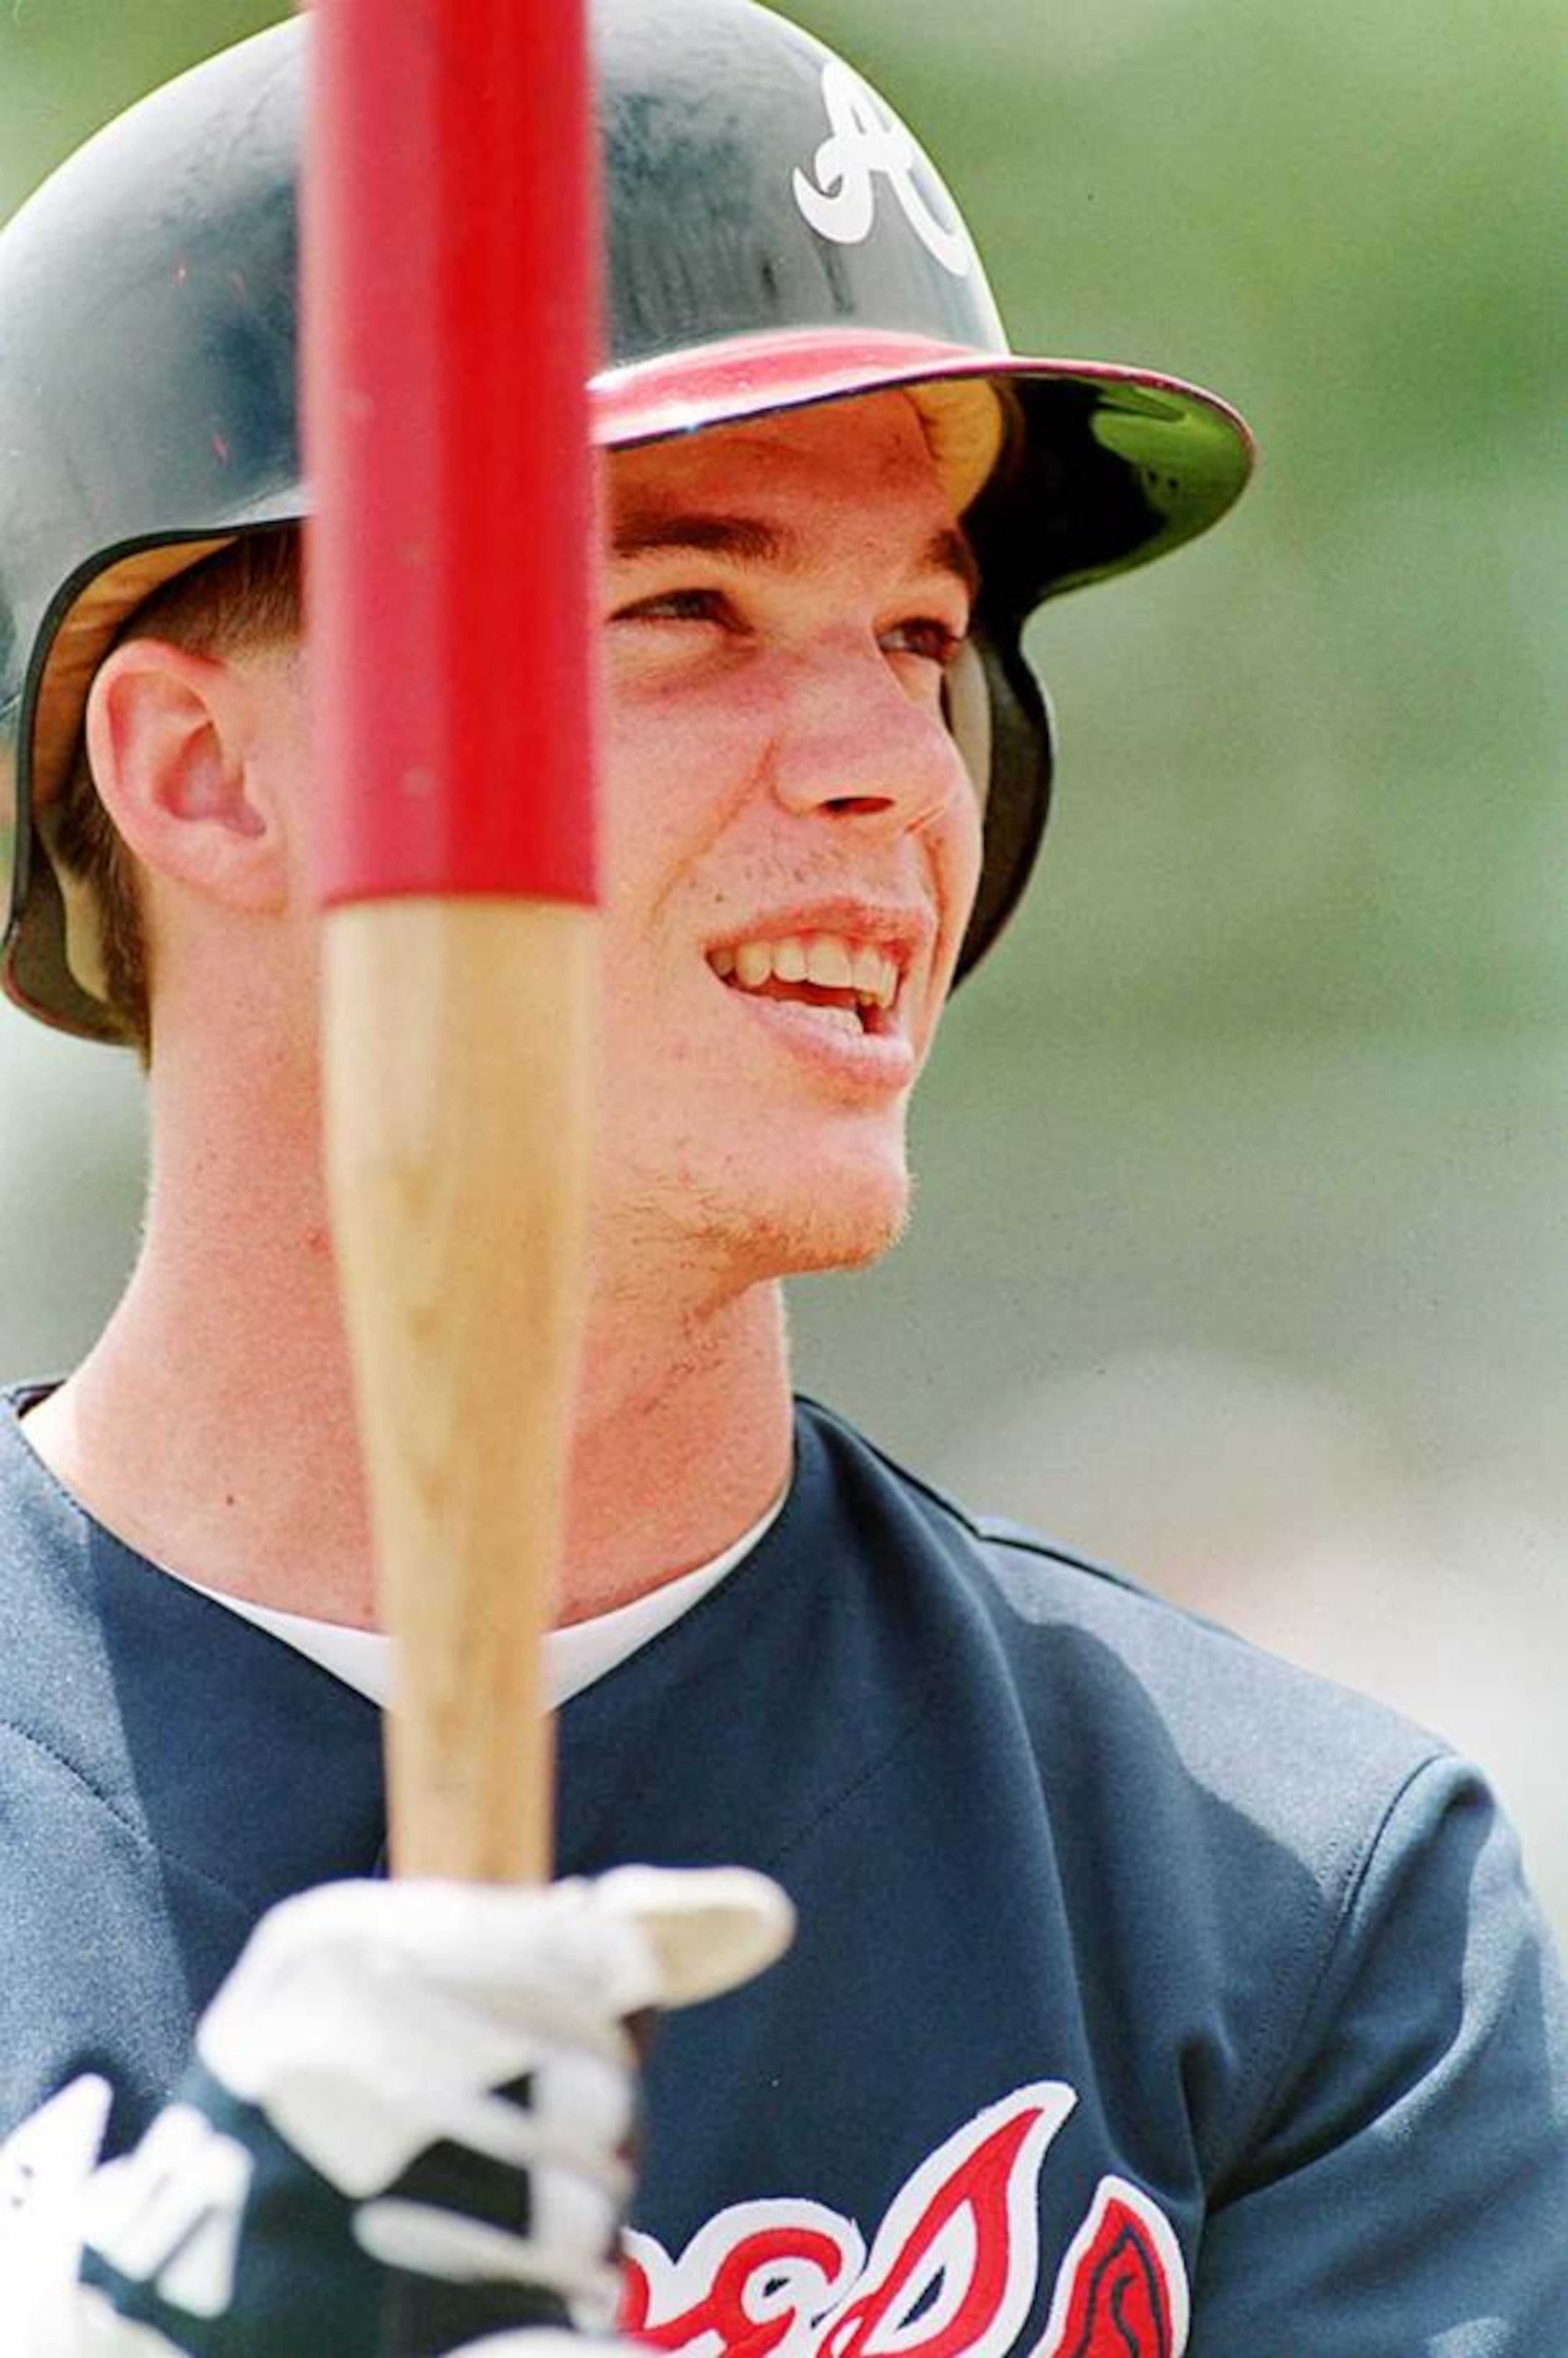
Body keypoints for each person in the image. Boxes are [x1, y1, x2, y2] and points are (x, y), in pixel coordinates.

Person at [0, 2, 1563, 2352]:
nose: (888, 769)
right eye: (682, 610)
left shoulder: (1289, 1908)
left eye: (924, 637)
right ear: (202, 776)